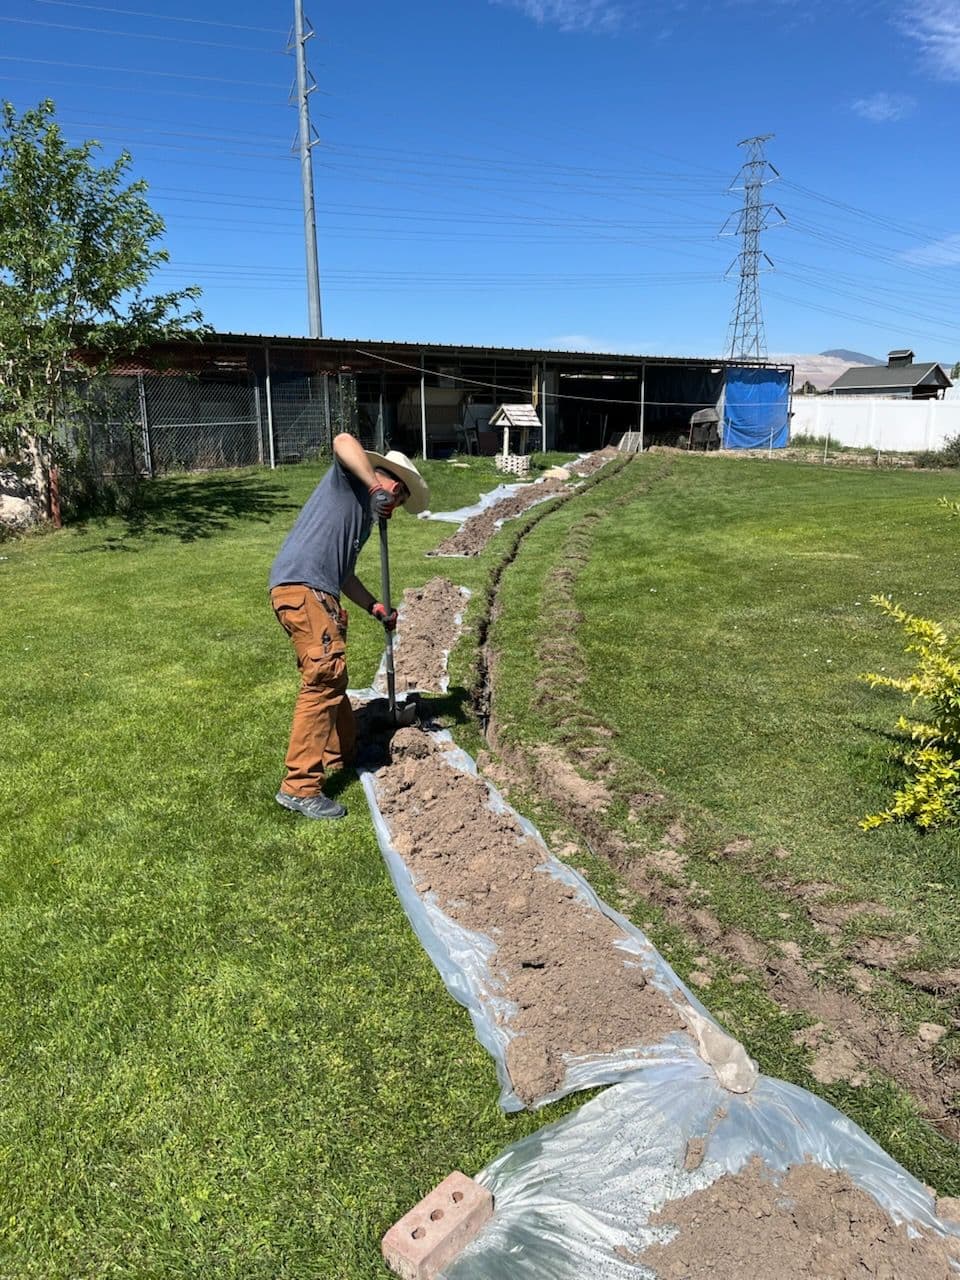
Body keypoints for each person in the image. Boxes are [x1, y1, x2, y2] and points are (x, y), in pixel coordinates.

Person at [269, 432, 430, 820]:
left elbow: (344, 575)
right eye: (400, 494)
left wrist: (375, 606)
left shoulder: (361, 518)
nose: (397, 503)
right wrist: (374, 487)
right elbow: (342, 439)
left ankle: (341, 755)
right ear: (390, 479)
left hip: (318, 590)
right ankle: (299, 787)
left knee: (332, 676)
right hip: (303, 586)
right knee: (324, 677)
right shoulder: (350, 480)